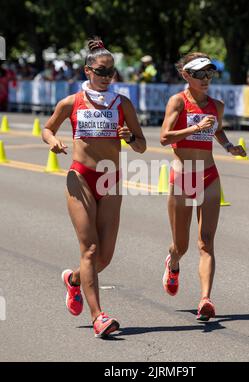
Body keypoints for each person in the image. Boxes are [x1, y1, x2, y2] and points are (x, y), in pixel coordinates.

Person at [42, 37, 146, 338]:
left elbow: (141, 146)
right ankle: (98, 316)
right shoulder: (72, 102)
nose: (106, 77)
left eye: (111, 73)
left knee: (104, 257)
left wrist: (129, 137)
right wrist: (53, 141)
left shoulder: (122, 104)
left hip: (110, 180)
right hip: (81, 177)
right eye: (101, 72)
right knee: (89, 249)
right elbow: (48, 128)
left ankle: (73, 280)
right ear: (88, 70)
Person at [160, 52, 246, 321]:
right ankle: (172, 263)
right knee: (181, 245)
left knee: (206, 242)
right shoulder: (178, 101)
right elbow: (164, 137)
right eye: (200, 74)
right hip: (183, 175)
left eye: (210, 73)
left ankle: (205, 299)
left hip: (209, 175)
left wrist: (229, 146)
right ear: (186, 76)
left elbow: (217, 129)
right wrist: (194, 127)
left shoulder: (216, 106)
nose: (206, 79)